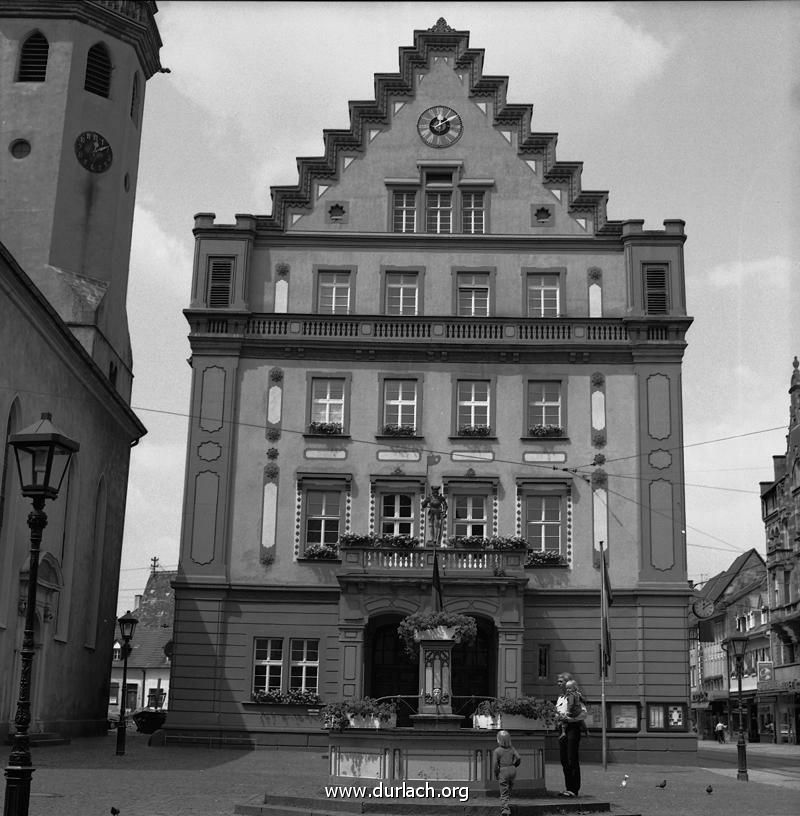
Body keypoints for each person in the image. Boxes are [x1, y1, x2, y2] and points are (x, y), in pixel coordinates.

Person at [555, 672, 584, 797]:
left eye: (561, 681)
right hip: (561, 729)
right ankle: (568, 788)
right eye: (558, 681)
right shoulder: (560, 698)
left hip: (572, 728)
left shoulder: (576, 696)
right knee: (564, 759)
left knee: (572, 758)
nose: (558, 683)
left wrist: (569, 720)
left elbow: (583, 714)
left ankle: (574, 789)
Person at [492, 729, 521, 816]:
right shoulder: (512, 749)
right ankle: (506, 802)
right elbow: (519, 758)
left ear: (498, 740)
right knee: (509, 788)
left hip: (503, 770)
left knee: (504, 790)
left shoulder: (497, 751)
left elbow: (495, 764)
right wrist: (515, 765)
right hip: (512, 769)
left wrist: (496, 773)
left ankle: (505, 809)